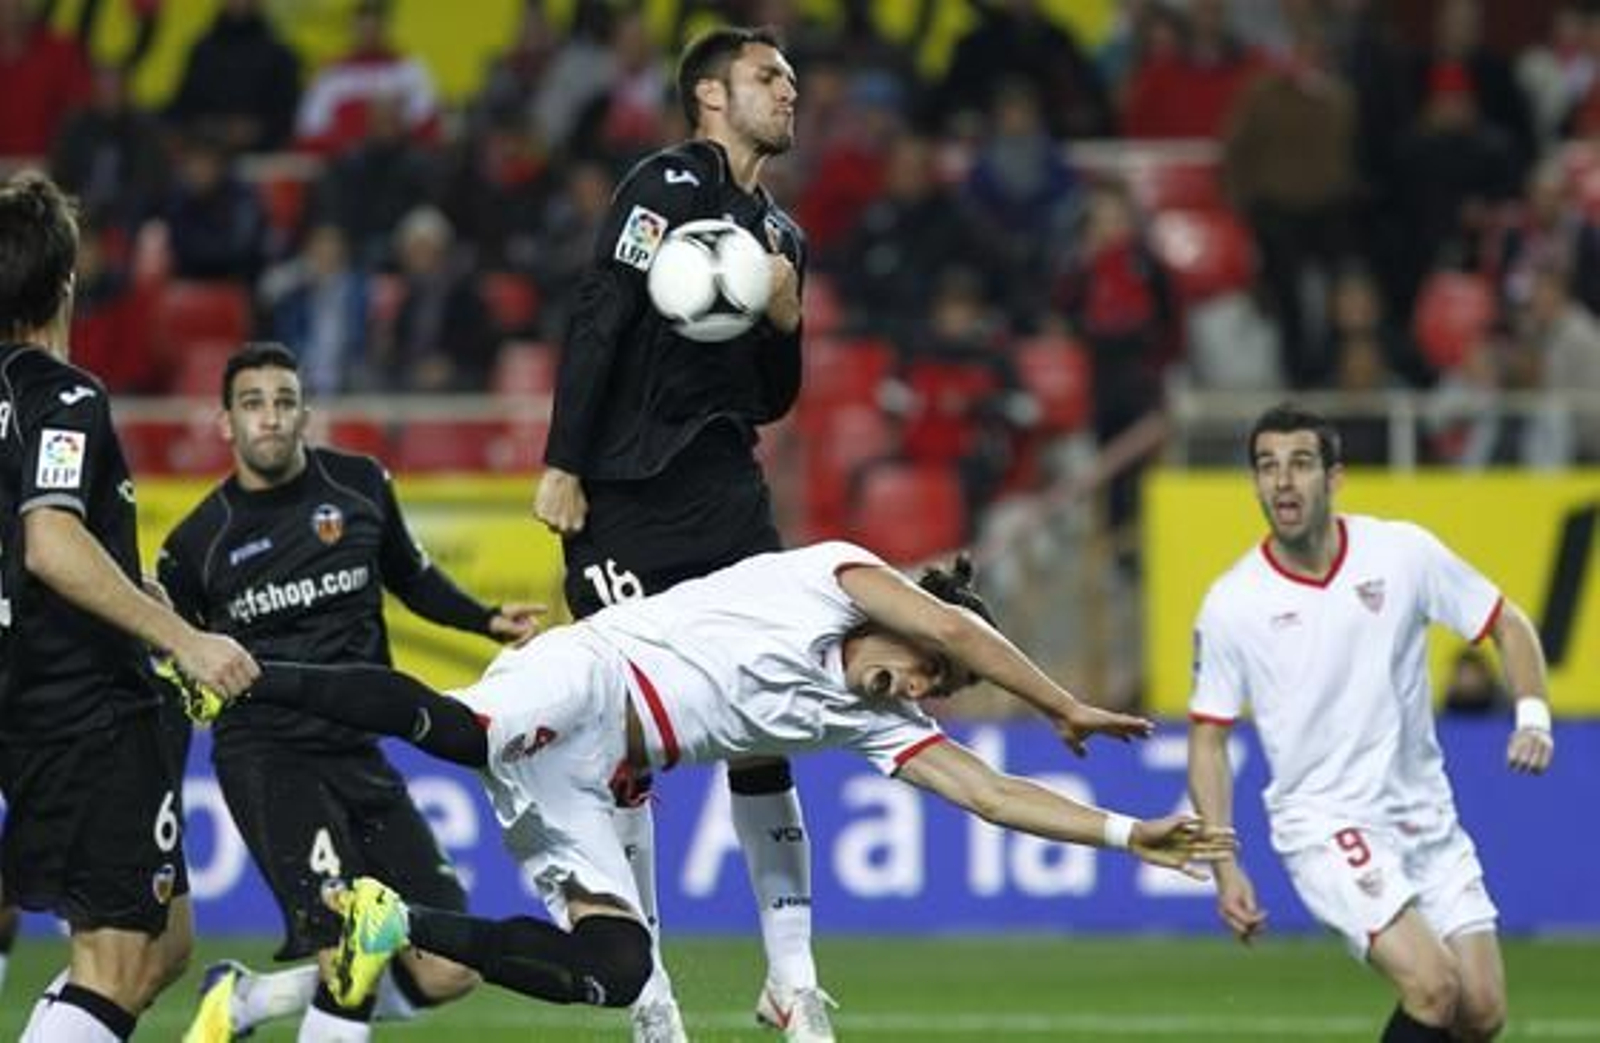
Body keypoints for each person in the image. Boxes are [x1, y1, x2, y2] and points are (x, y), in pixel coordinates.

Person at [188, 542, 1237, 1026]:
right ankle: (239, 669)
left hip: (601, 775)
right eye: (928, 666)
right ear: (906, 618)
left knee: (612, 965)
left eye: (941, 687)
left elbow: (993, 796)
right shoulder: (830, 576)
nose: (923, 683)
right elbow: (956, 625)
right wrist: (1060, 701)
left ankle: (390, 920)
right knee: (463, 727)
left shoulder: (870, 713)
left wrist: (1125, 831)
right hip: (596, 671)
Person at [531, 25, 813, 1043]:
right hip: (621, 498)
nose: (790, 90)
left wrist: (785, 317)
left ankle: (794, 978)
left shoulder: (783, 237)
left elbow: (775, 398)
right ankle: (650, 994)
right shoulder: (659, 186)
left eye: (789, 76)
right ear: (708, 97)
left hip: (725, 491)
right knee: (622, 740)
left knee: (767, 718)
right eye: (767, 76)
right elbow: (603, 309)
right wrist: (563, 462)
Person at [161, 343, 540, 1042]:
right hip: (269, 757)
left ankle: (246, 999)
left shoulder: (360, 484)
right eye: (252, 404)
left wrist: (486, 619)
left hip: (358, 750)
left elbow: (411, 575)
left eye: (283, 401)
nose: (269, 417)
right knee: (351, 950)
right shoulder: (197, 543)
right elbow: (172, 653)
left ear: (305, 411)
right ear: (225, 422)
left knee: (450, 966)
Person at [1185, 404, 1556, 1043]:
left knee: (1482, 1012)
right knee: (1433, 986)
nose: (1282, 481)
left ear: (1334, 479)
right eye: (1267, 466)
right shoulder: (1233, 603)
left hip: (1426, 818)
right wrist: (1224, 863)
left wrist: (1533, 718)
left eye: (1300, 464)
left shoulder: (1402, 553)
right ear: (1254, 483)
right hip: (1327, 822)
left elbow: (1508, 622)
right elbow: (1209, 738)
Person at [0, 170, 259, 1041]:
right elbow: (49, 541)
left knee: (164, 942)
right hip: (80, 710)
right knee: (115, 958)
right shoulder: (64, 396)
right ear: (66, 283)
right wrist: (180, 634)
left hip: (33, 694)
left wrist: (128, 585)